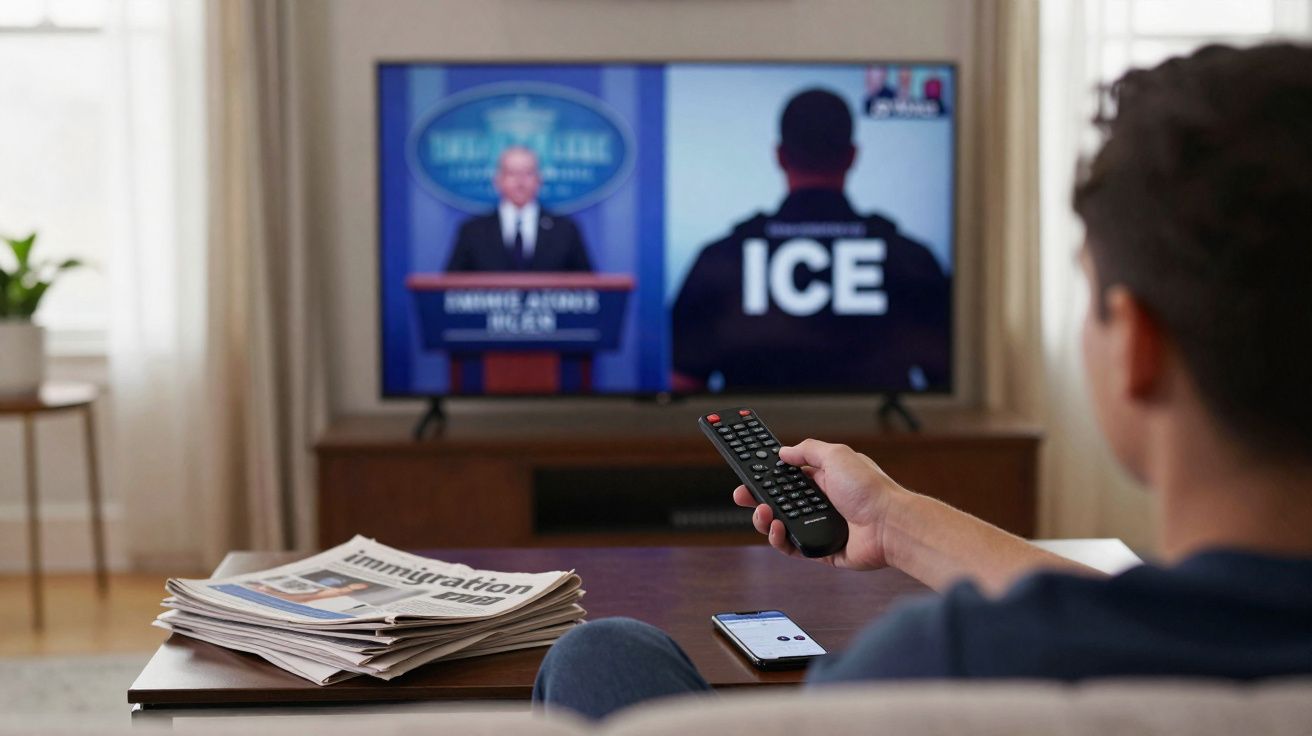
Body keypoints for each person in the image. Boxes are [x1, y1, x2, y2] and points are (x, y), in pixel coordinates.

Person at [535, 44, 1312, 720]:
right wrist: (894, 518)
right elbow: (1159, 614)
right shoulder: (908, 261)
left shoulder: (941, 664)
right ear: (850, 155)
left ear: (1139, 345)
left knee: (603, 651)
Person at [670, 88, 950, 392]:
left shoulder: (721, 258)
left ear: (780, 155)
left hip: (760, 439)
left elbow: (683, 390)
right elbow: (943, 378)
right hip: (875, 438)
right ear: (852, 156)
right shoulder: (910, 259)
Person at [445, 146, 593, 272]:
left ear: (539, 180)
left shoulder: (565, 230)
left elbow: (588, 288)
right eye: (511, 173)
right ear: (498, 180)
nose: (520, 181)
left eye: (527, 173)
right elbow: (450, 288)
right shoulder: (472, 231)